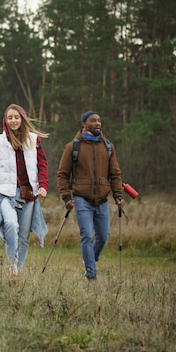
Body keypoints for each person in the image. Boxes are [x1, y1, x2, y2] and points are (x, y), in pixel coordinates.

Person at [0, 104, 49, 275]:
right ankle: (11, 264)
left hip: (28, 194)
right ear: (5, 120)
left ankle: (18, 271)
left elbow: (42, 165)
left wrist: (43, 185)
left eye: (16, 117)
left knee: (23, 235)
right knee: (10, 224)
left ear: (22, 118)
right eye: (10, 117)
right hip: (5, 193)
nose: (13, 120)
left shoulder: (34, 139)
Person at [56, 111, 124, 281]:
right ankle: (91, 274)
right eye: (93, 121)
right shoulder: (73, 147)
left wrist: (118, 195)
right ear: (84, 124)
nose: (97, 123)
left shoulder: (108, 147)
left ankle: (91, 259)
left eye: (99, 120)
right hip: (81, 199)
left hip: (102, 200)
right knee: (86, 235)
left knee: (103, 236)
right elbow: (62, 174)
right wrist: (66, 197)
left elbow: (115, 174)